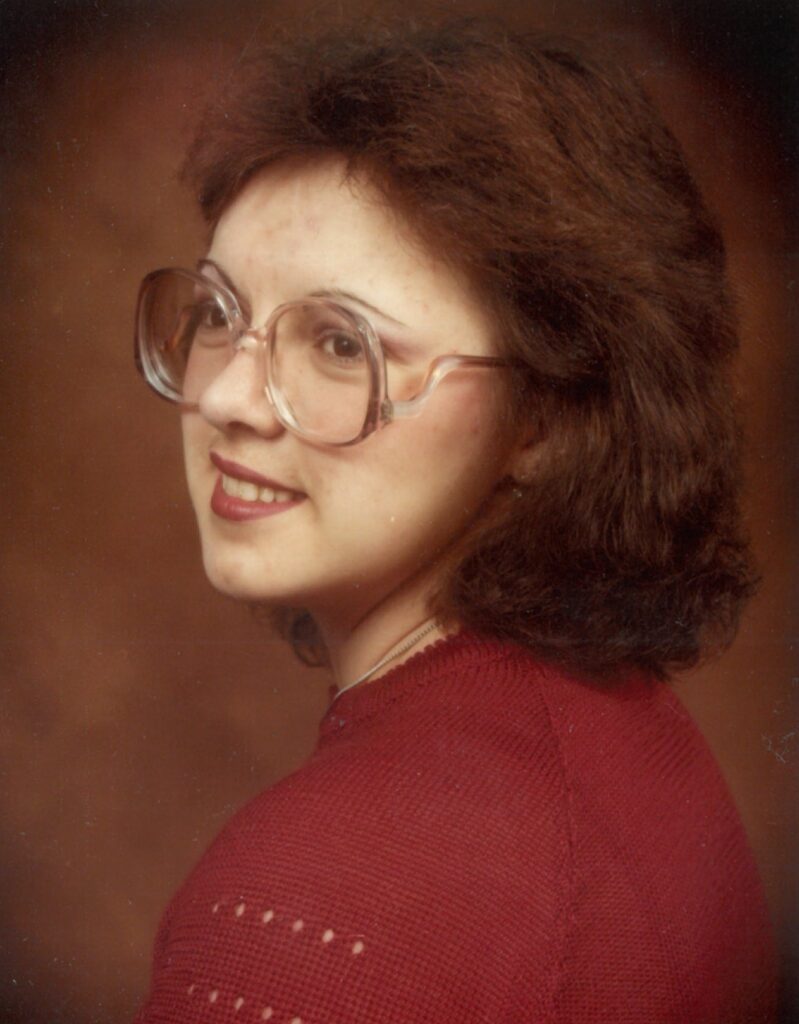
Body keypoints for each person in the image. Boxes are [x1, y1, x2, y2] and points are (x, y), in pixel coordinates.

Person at [131, 17, 777, 1023]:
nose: (223, 397)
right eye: (218, 313)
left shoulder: (316, 895)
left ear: (543, 420)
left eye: (341, 344)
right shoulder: (625, 732)